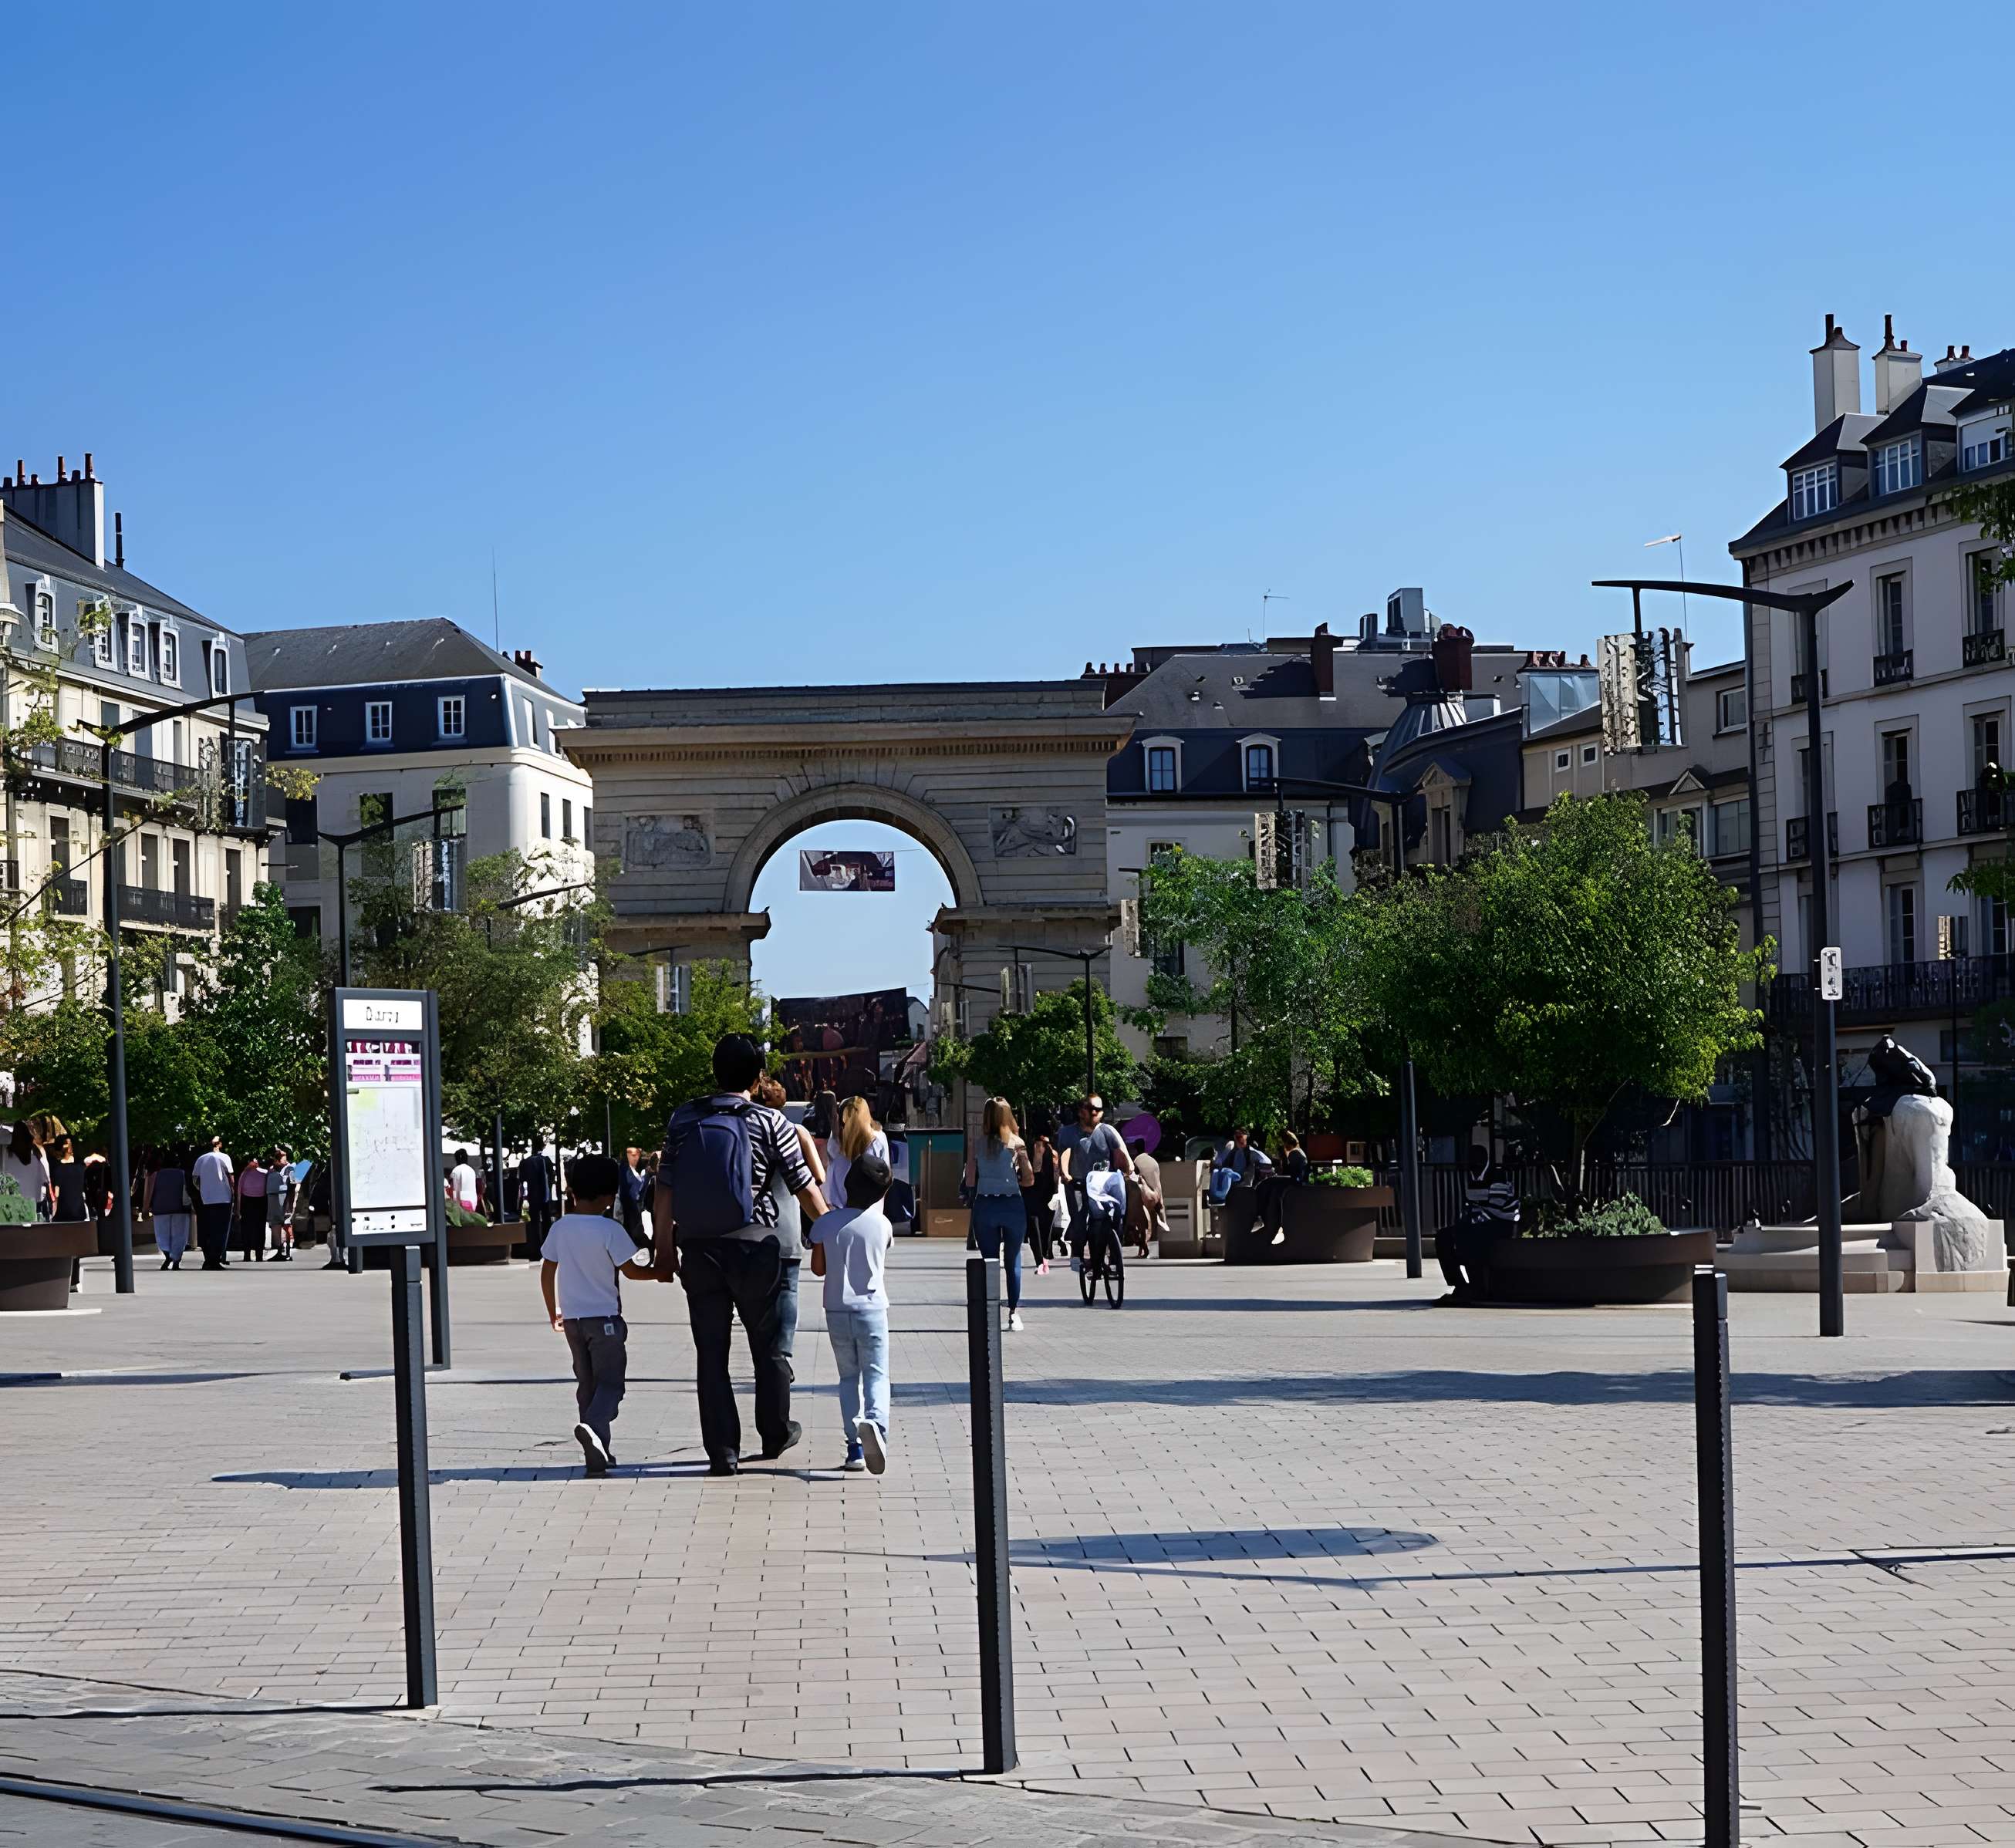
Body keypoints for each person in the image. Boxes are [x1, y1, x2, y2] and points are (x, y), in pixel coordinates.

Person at [655, 1034, 828, 1476]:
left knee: (710, 1353)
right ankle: (774, 1433)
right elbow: (804, 1184)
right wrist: (830, 1235)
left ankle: (723, 1452)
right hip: (757, 1247)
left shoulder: (684, 1118)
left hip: (697, 1247)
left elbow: (665, 1188)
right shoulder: (771, 1122)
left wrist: (663, 1250)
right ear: (756, 1077)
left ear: (715, 1072)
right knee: (768, 1347)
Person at [538, 1151, 659, 1476]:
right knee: (611, 1384)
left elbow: (547, 1271)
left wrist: (555, 1311)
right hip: (604, 1320)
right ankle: (592, 1427)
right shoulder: (609, 1230)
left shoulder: (561, 1228)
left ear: (572, 1192)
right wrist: (661, 1272)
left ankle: (599, 1450)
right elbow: (632, 1272)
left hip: (574, 1322)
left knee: (588, 1384)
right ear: (610, 1195)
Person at [811, 1150, 895, 1474]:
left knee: (848, 1377)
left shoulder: (825, 1223)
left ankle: (854, 1448)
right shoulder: (882, 1225)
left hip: (836, 1308)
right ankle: (876, 1427)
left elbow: (818, 1267)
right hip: (872, 1307)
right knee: (876, 1373)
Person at [965, 1098, 1036, 1330]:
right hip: (1012, 1205)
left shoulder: (977, 1145)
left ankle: (990, 1311)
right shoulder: (1017, 1144)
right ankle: (1014, 1312)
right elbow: (1029, 1180)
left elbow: (970, 1179)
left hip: (986, 1205)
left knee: (989, 1262)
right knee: (1013, 1260)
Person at [1436, 1145, 1519, 1304]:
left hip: (1503, 1225)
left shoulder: (1497, 1176)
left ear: (1483, 1161)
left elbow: (1496, 1208)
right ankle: (1460, 1285)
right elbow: (1474, 1206)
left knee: (1468, 1236)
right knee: (1443, 1237)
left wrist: (1470, 1222)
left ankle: (1477, 1286)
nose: (1471, 1164)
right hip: (1484, 1223)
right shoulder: (1473, 1177)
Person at [1057, 1094, 1136, 1260]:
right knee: (1079, 1223)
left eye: (1098, 1109)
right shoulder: (1068, 1132)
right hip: (1078, 1184)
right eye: (1090, 1109)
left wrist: (1128, 1166)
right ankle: (1078, 1258)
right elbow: (1066, 1153)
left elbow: (1120, 1151)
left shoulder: (1107, 1131)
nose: (1095, 1112)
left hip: (1103, 1185)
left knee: (1116, 1217)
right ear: (1080, 1112)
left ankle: (1114, 1257)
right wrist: (1065, 1173)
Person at [824, 1096, 889, 1211]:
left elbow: (830, 1174)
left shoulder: (835, 1140)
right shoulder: (878, 1138)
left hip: (838, 1210)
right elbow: (884, 1177)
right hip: (871, 1211)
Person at [1256, 1131, 1309, 1239]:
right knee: (1270, 1183)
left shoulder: (1294, 1153)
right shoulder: (1298, 1152)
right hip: (1297, 1180)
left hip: (1296, 1181)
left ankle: (1263, 1215)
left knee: (1269, 1185)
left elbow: (1292, 1173)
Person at [193, 1136, 235, 1270]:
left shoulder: (201, 1159)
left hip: (206, 1199)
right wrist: (234, 1195)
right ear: (219, 1145)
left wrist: (203, 1189)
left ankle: (208, 1259)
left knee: (207, 1229)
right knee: (221, 1230)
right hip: (224, 1198)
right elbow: (231, 1177)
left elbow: (195, 1180)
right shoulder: (225, 1157)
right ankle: (215, 1259)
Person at [0, 1118, 51, 1225]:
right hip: (29, 1211)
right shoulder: (35, 1161)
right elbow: (41, 1189)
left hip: (8, 1212)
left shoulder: (5, 1159)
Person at [150, 1150, 194, 1270]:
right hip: (180, 1209)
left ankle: (167, 1255)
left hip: (160, 1209)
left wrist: (145, 1208)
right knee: (180, 1236)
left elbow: (149, 1193)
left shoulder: (156, 1175)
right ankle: (176, 1261)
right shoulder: (182, 1174)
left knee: (162, 1235)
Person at [1126, 1136, 1167, 1258]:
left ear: (1136, 1148)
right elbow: (1157, 1181)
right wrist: (1159, 1198)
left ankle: (1143, 1248)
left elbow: (1133, 1178)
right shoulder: (1153, 1162)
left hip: (1141, 1197)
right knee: (1149, 1224)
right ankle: (1144, 1248)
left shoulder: (1135, 1163)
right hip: (1155, 1196)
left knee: (1140, 1224)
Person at [1023, 1133, 1059, 1266]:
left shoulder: (1036, 1147)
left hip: (1034, 1188)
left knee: (1035, 1223)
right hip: (1046, 1190)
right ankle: (1046, 1252)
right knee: (1045, 1222)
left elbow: (1037, 1167)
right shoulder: (1052, 1151)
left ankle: (1041, 1256)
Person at [519, 1146, 555, 1256]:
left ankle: (535, 1248)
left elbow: (522, 1180)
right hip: (545, 1195)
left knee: (534, 1222)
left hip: (532, 1195)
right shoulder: (546, 1160)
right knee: (546, 1221)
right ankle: (547, 1245)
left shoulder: (525, 1162)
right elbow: (552, 1177)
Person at [235, 1152, 268, 1260]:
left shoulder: (246, 1173)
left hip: (252, 1201)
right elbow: (240, 1191)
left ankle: (252, 1254)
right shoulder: (249, 1173)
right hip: (256, 1201)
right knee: (256, 1228)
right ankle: (254, 1254)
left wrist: (238, 1209)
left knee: (250, 1228)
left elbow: (240, 1191)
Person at [617, 1145, 651, 1246]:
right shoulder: (625, 1169)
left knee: (633, 1225)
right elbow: (632, 1186)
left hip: (632, 1203)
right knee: (631, 1227)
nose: (636, 1157)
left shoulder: (628, 1168)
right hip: (629, 1203)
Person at [265, 1150, 295, 1260]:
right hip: (273, 1197)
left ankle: (287, 1252)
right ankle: (279, 1250)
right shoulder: (272, 1170)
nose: (285, 1161)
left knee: (286, 1223)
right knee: (275, 1224)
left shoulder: (289, 1169)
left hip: (283, 1197)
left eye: (285, 1158)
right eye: (282, 1159)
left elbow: (292, 1185)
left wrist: (290, 1202)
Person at [448, 1148, 479, 1216]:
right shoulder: (472, 1170)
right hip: (472, 1201)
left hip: (460, 1202)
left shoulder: (455, 1170)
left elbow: (453, 1187)